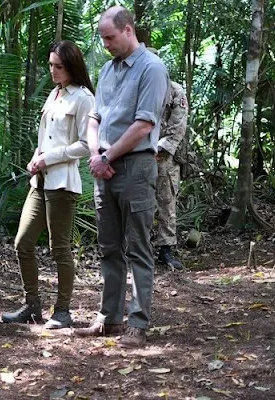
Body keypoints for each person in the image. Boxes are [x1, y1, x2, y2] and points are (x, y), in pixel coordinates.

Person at [73, 6, 169, 348]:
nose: (105, 44)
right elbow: (94, 118)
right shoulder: (107, 70)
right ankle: (108, 318)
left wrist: (107, 157)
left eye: (109, 37)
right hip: (106, 168)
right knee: (108, 247)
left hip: (136, 168)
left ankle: (138, 323)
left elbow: (144, 124)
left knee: (139, 247)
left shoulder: (152, 68)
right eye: (102, 38)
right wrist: (98, 156)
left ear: (128, 30)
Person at [1, 40, 95, 329]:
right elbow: (44, 139)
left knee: (59, 248)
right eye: (51, 65)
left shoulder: (83, 98)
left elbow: (85, 145)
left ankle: (63, 311)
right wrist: (34, 159)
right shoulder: (54, 94)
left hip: (63, 183)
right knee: (23, 243)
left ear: (72, 67)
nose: (53, 71)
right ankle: (31, 305)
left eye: (59, 66)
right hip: (39, 181)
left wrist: (49, 159)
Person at [154, 77, 188, 270]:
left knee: (167, 202)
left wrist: (160, 150)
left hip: (165, 157)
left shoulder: (175, 91)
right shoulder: (138, 85)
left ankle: (165, 249)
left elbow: (178, 126)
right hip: (139, 153)